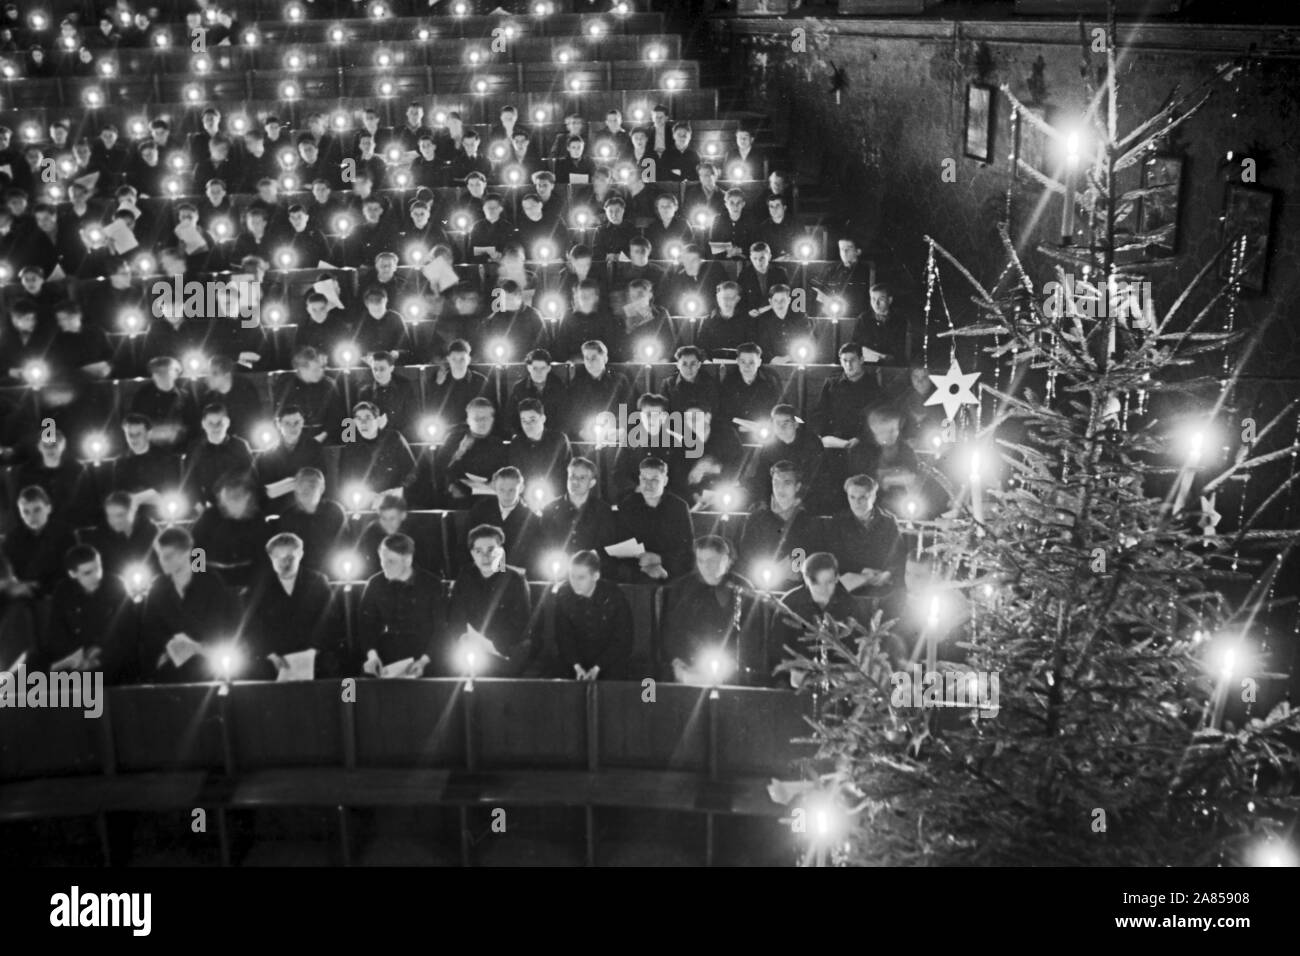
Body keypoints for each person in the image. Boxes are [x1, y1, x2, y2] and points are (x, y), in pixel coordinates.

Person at [659, 535, 764, 685]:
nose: (706, 567)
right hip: (690, 664)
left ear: (726, 561)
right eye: (701, 561)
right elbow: (673, 629)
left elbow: (752, 634)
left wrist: (733, 663)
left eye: (712, 561)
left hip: (731, 667)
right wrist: (678, 660)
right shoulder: (682, 588)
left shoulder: (743, 588)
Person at [139, 526, 239, 683]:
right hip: (172, 665)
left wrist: (194, 646)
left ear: (186, 553)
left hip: (207, 663)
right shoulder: (158, 587)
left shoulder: (210, 582)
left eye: (168, 556)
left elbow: (220, 625)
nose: (162, 562)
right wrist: (168, 645)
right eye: (159, 556)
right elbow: (150, 628)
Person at [243, 533, 345, 681]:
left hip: (312, 653)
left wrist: (313, 651)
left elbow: (330, 620)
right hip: (273, 656)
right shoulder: (259, 586)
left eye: (289, 557)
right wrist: (270, 654)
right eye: (278, 558)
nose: (284, 563)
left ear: (300, 555)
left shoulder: (317, 581)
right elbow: (251, 625)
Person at [771, 551, 871, 688]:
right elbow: (778, 652)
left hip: (841, 681)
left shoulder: (850, 606)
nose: (823, 589)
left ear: (837, 578)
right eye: (816, 583)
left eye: (829, 582)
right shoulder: (789, 605)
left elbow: (859, 651)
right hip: (796, 680)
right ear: (806, 579)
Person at [35, 544, 132, 682]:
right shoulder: (63, 591)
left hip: (110, 657)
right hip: (74, 657)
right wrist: (77, 656)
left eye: (98, 568)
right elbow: (56, 631)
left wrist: (100, 651)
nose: (96, 576)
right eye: (88, 573)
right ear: (72, 574)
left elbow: (125, 628)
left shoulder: (115, 585)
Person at [447, 524, 533, 676]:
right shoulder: (465, 576)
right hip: (470, 649)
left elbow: (521, 621)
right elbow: (456, 615)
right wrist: (463, 638)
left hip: (502, 651)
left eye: (491, 550)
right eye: (478, 551)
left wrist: (491, 644)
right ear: (472, 553)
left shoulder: (514, 579)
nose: (485, 557)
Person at [358, 533, 444, 678]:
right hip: (385, 657)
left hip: (424, 656)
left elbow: (441, 630)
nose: (385, 566)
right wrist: (372, 655)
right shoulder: (375, 584)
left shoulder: (432, 585)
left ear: (408, 560)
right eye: (382, 560)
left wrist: (424, 661)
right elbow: (366, 625)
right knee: (355, 688)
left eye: (391, 562)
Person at [406, 397, 508, 508]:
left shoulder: (498, 443)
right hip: (458, 492)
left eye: (485, 418)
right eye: (477, 418)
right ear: (468, 420)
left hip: (488, 494)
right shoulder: (456, 438)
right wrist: (459, 453)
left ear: (492, 419)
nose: (481, 423)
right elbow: (440, 468)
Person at [738, 461, 823, 592]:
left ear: (797, 487)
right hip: (761, 588)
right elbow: (746, 555)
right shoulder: (757, 518)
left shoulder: (808, 521)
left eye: (787, 483)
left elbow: (812, 553)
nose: (780, 488)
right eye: (776, 483)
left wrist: (795, 569)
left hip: (797, 588)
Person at [553, 550, 633, 680]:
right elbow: (563, 636)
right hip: (575, 662)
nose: (575, 582)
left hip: (609, 662)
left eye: (581, 577)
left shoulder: (614, 596)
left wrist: (598, 667)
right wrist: (576, 666)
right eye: (572, 576)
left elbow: (622, 640)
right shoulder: (564, 595)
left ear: (595, 576)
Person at [828, 474, 907, 602]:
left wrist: (887, 574)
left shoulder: (888, 522)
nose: (856, 502)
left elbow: (898, 555)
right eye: (852, 497)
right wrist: (862, 572)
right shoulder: (838, 522)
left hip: (881, 587)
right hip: (850, 588)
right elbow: (834, 557)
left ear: (874, 496)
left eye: (863, 497)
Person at [615, 458, 694, 583]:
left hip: (670, 569)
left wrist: (659, 559)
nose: (648, 485)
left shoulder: (678, 507)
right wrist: (645, 564)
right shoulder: (628, 505)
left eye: (654, 480)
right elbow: (620, 543)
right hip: (637, 568)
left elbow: (686, 550)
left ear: (665, 481)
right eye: (644, 479)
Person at [539, 457, 621, 578]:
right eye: (572, 477)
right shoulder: (550, 510)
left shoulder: (603, 511)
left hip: (592, 572)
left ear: (592, 483)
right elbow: (544, 543)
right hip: (559, 573)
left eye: (582, 478)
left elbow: (607, 546)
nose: (575, 482)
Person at [190, 474, 272, 589]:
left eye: (233, 499)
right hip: (212, 585)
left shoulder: (257, 522)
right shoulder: (209, 518)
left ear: (246, 497)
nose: (226, 504)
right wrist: (199, 580)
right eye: (225, 499)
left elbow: (264, 561)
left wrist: (255, 587)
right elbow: (196, 549)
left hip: (245, 587)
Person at [336, 401, 416, 508]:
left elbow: (411, 471)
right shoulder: (351, 447)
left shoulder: (394, 438)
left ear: (378, 420)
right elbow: (344, 479)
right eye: (358, 419)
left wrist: (399, 490)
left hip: (394, 499)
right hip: (364, 502)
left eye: (368, 418)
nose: (363, 423)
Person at [2, 486, 76, 600]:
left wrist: (38, 588)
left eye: (37, 510)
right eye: (25, 512)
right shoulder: (13, 537)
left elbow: (69, 572)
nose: (31, 517)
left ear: (49, 508)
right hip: (21, 595)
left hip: (55, 594)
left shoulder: (65, 535)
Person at [269, 468, 346, 574]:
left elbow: (343, 545)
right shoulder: (288, 517)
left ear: (322, 488)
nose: (306, 490)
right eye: (301, 485)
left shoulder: (334, 512)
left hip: (332, 571)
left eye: (312, 485)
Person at [748, 403, 826, 507]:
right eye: (777, 423)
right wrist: (763, 500)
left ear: (796, 424)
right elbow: (761, 476)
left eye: (786, 422)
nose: (781, 427)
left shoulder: (811, 443)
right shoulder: (769, 447)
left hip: (807, 497)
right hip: (777, 496)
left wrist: (800, 497)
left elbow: (817, 474)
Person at [467, 466, 542, 571]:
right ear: (494, 487)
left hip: (515, 573)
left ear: (521, 488)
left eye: (511, 490)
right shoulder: (481, 510)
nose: (506, 495)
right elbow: (467, 543)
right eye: (501, 490)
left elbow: (534, 556)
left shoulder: (531, 518)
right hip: (483, 570)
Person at [182, 403, 254, 510]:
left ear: (227, 423)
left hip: (237, 507)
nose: (215, 428)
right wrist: (199, 506)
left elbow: (250, 478)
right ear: (203, 424)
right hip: (206, 508)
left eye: (220, 423)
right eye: (210, 423)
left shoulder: (240, 447)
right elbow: (189, 482)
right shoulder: (195, 449)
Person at [252, 404, 328, 503]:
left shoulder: (314, 448)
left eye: (297, 422)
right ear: (279, 425)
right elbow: (264, 486)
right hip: (278, 505)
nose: (293, 427)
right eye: (287, 423)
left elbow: (320, 477)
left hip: (306, 502)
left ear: (302, 423)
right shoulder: (267, 454)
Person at [562, 340, 633, 441]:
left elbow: (628, 408)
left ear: (604, 358)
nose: (590, 362)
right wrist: (581, 431)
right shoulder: (578, 384)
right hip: (587, 436)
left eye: (594, 358)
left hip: (614, 434)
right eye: (586, 358)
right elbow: (572, 412)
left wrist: (620, 430)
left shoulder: (619, 381)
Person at [273, 347, 347, 445]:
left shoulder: (328, 385)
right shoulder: (286, 385)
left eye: (321, 368)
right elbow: (279, 415)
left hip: (324, 440)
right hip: (292, 439)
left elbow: (335, 417)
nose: (320, 372)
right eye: (315, 370)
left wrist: (320, 438)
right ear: (301, 369)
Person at [80, 491, 158, 582]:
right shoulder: (100, 535)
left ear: (132, 511)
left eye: (120, 515)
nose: (114, 521)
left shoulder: (149, 529)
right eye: (110, 516)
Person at [810, 344, 879, 448]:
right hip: (833, 441)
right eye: (844, 360)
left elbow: (877, 418)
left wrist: (860, 438)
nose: (848, 364)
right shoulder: (832, 384)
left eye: (853, 360)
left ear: (861, 360)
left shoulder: (872, 386)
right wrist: (822, 434)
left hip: (860, 443)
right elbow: (820, 412)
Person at [508, 397, 572, 496]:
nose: (528, 425)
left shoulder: (558, 440)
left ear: (543, 418)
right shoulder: (517, 443)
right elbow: (516, 474)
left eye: (532, 420)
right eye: (524, 421)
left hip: (556, 496)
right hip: (526, 497)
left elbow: (565, 472)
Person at [716, 342, 781, 434]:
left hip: (763, 431)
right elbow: (724, 413)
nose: (747, 367)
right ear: (738, 361)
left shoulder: (769, 381)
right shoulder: (729, 382)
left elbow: (776, 409)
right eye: (743, 362)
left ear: (759, 362)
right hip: (736, 431)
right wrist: (739, 427)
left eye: (751, 362)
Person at [506, 349, 568, 434]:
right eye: (535, 368)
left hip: (553, 437)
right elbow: (512, 417)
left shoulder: (559, 387)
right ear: (528, 368)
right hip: (526, 437)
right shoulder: (519, 388)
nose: (539, 372)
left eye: (543, 368)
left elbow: (565, 416)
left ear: (549, 368)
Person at [755, 284, 817, 365]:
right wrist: (772, 359)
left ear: (789, 300)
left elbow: (808, 340)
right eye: (775, 300)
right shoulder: (763, 320)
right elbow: (762, 345)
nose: (779, 304)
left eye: (783, 300)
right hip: (772, 364)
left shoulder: (800, 318)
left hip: (798, 362)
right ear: (770, 302)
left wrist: (791, 358)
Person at [852, 281, 910, 363]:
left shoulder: (900, 320)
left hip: (892, 365)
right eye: (873, 299)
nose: (876, 303)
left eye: (881, 299)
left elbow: (900, 347)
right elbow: (856, 344)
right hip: (868, 363)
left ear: (889, 300)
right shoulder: (863, 319)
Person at [695, 281, 755, 361]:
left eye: (731, 298)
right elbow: (700, 348)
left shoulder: (747, 321)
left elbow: (751, 347)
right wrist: (707, 362)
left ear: (738, 299)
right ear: (717, 298)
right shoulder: (707, 321)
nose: (727, 302)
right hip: (712, 366)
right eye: (724, 298)